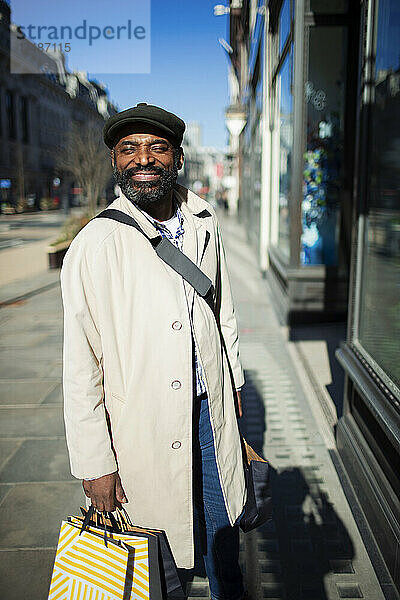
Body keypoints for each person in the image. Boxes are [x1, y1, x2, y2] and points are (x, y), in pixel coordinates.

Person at [61, 102, 246, 600]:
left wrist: (237, 400)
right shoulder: (95, 243)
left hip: (211, 416)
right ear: (115, 163)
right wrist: (94, 463)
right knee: (160, 562)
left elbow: (223, 315)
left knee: (223, 541)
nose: (144, 158)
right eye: (130, 149)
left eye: (157, 147)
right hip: (141, 425)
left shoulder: (205, 222)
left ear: (178, 159)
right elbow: (81, 367)